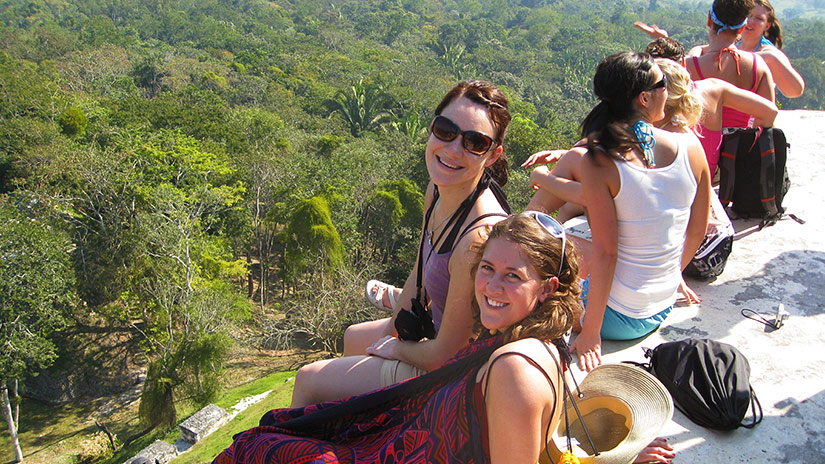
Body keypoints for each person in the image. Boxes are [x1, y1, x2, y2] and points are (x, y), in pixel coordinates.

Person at [213, 213, 676, 464]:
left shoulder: (515, 366)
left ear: (547, 289)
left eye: (513, 276)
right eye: (488, 269)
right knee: (282, 434)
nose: (492, 287)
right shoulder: (545, 340)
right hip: (408, 438)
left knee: (264, 448)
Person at [291, 81, 512, 407]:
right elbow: (419, 275)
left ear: (493, 155)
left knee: (308, 380)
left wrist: (394, 348)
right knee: (355, 337)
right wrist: (388, 334)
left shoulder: (477, 237)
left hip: (455, 375)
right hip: (435, 337)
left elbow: (446, 354)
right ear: (432, 128)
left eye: (475, 142)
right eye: (446, 130)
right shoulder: (437, 192)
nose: (453, 149)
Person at [571, 52, 711, 372]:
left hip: (617, 319)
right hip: (662, 307)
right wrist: (672, 275)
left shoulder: (598, 159)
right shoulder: (691, 148)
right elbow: (696, 231)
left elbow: (607, 253)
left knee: (550, 257)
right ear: (645, 98)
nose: (669, 91)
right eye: (663, 84)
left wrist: (591, 331)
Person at [738, 0, 805, 98]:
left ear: (767, 25)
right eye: (748, 15)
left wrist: (769, 58)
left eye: (759, 18)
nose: (750, 21)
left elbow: (796, 91)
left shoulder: (770, 53)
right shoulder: (732, 46)